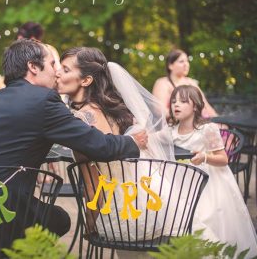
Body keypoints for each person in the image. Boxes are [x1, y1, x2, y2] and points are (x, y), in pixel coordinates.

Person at [0, 39, 147, 253]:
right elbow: (99, 146)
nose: (56, 72)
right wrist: (132, 141)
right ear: (33, 67)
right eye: (52, 64)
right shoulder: (43, 100)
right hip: (6, 219)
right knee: (60, 219)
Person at [56, 47, 175, 241]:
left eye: (66, 69)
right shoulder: (112, 109)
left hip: (122, 212)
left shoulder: (81, 121)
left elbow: (94, 186)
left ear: (86, 80)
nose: (57, 73)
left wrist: (90, 224)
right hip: (156, 201)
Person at [169, 85, 257, 257]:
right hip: (182, 181)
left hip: (208, 182)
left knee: (206, 217)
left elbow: (223, 159)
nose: (176, 105)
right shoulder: (171, 131)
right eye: (173, 101)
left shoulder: (207, 129)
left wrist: (205, 157)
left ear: (195, 106)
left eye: (182, 101)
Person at [152, 49, 217, 118]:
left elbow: (205, 105)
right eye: (181, 61)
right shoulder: (163, 83)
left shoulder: (191, 82)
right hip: (172, 125)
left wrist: (219, 120)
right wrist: (186, 118)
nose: (186, 64)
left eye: (187, 61)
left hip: (196, 124)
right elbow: (160, 111)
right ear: (170, 66)